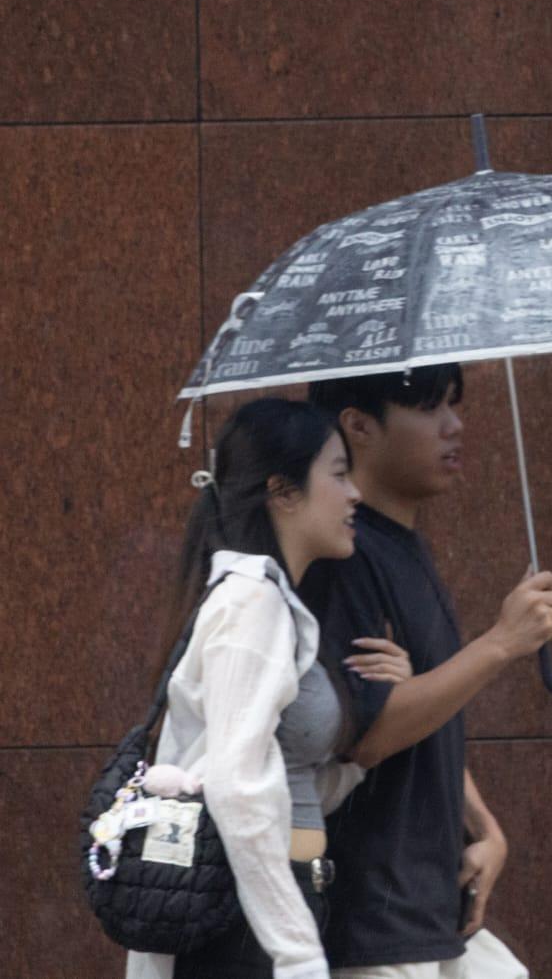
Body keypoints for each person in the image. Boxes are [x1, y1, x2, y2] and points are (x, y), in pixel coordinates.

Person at [128, 398, 413, 979]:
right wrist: (296, 952)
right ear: (284, 493)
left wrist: (359, 763)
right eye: (338, 473)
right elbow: (237, 787)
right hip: (246, 924)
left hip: (274, 909)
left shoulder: (271, 604)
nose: (354, 493)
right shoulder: (251, 603)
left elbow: (283, 780)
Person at [298, 365, 552, 979]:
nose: (455, 426)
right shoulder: (346, 556)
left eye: (454, 404)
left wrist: (484, 827)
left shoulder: (400, 545)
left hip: (433, 911)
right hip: (373, 921)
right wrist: (500, 643)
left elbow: (421, 709)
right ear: (359, 426)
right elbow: (364, 735)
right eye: (429, 408)